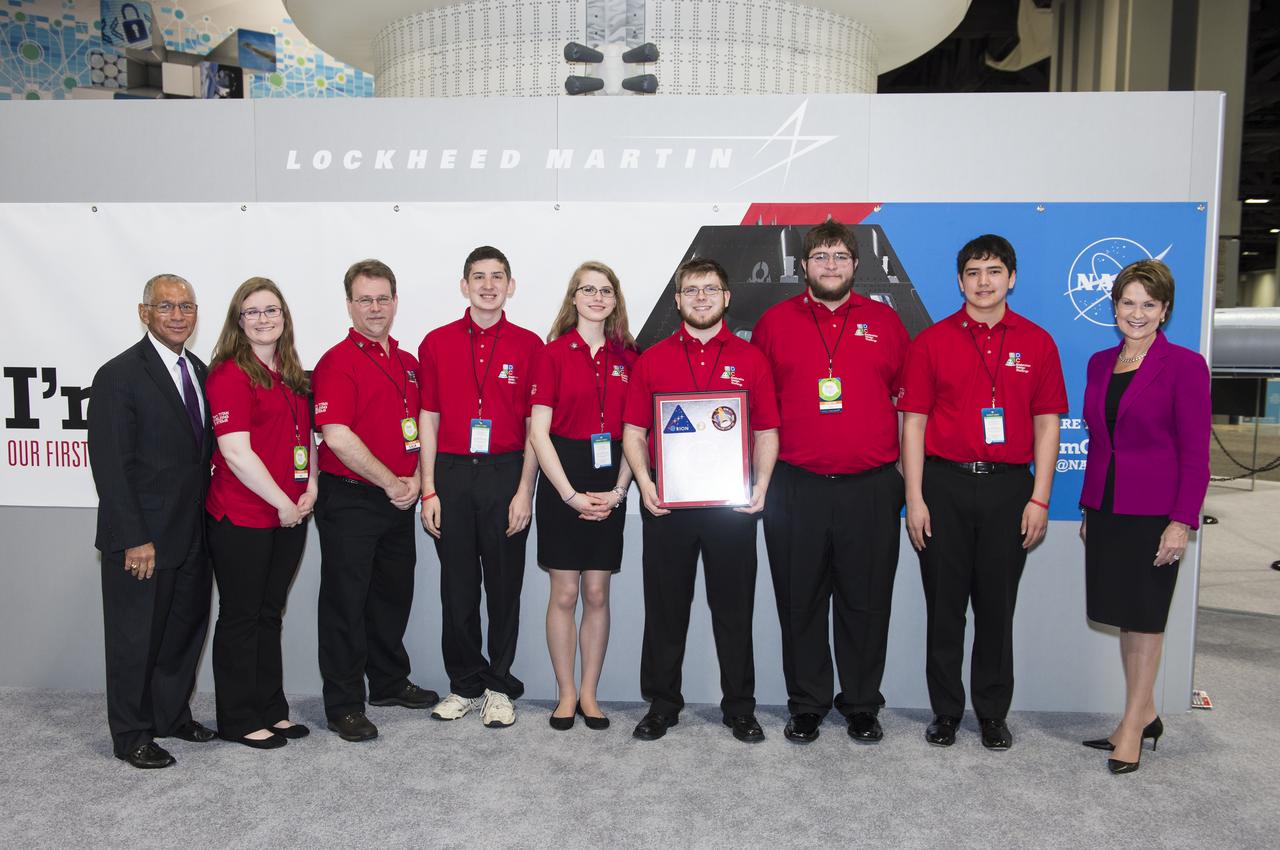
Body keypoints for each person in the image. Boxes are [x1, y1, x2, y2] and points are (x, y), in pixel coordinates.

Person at [899, 234, 1066, 750]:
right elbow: (913, 425)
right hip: (943, 485)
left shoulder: (1037, 342)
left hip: (1009, 490)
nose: (984, 281)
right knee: (944, 608)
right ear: (960, 281)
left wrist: (1039, 498)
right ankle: (946, 712)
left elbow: (1047, 426)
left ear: (1010, 278)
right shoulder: (932, 342)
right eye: (973, 272)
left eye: (994, 271)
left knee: (997, 608)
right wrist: (915, 498)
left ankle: (992, 712)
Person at [752, 220, 909, 744]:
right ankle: (808, 703)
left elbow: (907, 404)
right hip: (795, 485)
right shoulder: (775, 323)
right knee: (800, 600)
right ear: (803, 266)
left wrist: (905, 477)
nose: (831, 265)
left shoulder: (886, 323)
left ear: (856, 265)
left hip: (870, 486)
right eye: (821, 256)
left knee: (866, 601)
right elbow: (758, 410)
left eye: (840, 256)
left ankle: (862, 703)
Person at [622, 257, 780, 743]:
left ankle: (739, 707)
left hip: (731, 510)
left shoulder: (752, 359)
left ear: (727, 297)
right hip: (668, 509)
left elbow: (768, 431)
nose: (702, 298)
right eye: (691, 290)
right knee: (666, 609)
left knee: (734, 610)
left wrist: (761, 485)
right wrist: (646, 485)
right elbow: (633, 432)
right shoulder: (653, 359)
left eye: (711, 289)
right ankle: (663, 704)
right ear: (678, 300)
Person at [1078, 259, 1210, 774]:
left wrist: (1181, 521)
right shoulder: (1098, 363)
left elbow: (1196, 454)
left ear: (1165, 310)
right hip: (1108, 508)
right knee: (1126, 617)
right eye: (1128, 302)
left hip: (1157, 514)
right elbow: (1098, 444)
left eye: (1148, 305)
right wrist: (1090, 506)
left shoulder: (1184, 366)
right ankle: (1145, 712)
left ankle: (1132, 726)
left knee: (1148, 619)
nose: (1137, 313)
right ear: (1114, 307)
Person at [88, 273, 216, 769]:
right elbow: (111, 467)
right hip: (142, 540)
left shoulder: (201, 372)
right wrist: (134, 538)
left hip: (192, 536)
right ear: (145, 314)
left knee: (182, 633)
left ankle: (170, 715)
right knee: (134, 639)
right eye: (166, 307)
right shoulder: (118, 375)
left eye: (186, 306)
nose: (178, 315)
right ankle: (132, 733)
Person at [312, 259, 439, 742]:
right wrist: (392, 481)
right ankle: (343, 703)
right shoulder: (336, 362)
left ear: (395, 302)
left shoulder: (408, 364)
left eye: (383, 298)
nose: (375, 308)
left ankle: (387, 681)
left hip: (399, 498)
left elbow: (422, 429)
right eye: (364, 299)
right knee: (346, 602)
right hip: (352, 499)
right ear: (349, 305)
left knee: (391, 594)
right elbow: (337, 436)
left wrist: (414, 481)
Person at [417, 246, 543, 728]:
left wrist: (524, 492)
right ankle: (465, 684)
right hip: (450, 472)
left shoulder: (530, 346)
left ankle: (499, 685)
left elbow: (535, 425)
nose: (488, 285)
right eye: (478, 277)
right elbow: (428, 418)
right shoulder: (436, 342)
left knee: (505, 586)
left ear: (510, 285)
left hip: (506, 472)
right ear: (463, 285)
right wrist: (429, 489)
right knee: (458, 588)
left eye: (497, 277)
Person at [204, 277, 316, 749]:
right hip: (243, 516)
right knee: (241, 616)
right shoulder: (230, 374)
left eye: (272, 310)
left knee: (270, 613)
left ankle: (272, 707)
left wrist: (309, 489)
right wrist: (283, 502)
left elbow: (307, 441)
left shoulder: (292, 374)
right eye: (252, 311)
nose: (264, 318)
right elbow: (236, 452)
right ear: (238, 321)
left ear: (284, 318)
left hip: (289, 514)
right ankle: (238, 717)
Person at [529, 261, 638, 731]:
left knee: (597, 591)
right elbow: (538, 433)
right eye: (587, 289)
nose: (597, 297)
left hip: (612, 475)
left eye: (605, 290)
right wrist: (570, 495)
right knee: (566, 591)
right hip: (561, 479)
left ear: (615, 300)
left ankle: (590, 693)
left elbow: (637, 435)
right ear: (573, 297)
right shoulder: (551, 354)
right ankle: (565, 694)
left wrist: (618, 491)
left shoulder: (632, 357)